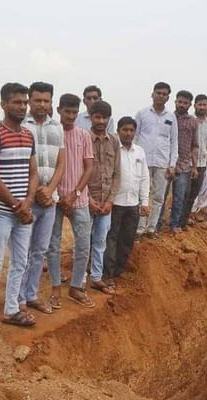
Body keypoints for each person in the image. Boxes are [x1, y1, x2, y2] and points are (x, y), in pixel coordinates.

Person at [0, 83, 39, 345]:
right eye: (16, 102)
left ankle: (12, 309)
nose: (22, 107)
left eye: (24, 102)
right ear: (3, 104)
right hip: (2, 212)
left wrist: (29, 202)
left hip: (22, 212)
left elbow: (33, 172)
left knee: (20, 263)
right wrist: (17, 205)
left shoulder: (28, 135)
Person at [17, 81, 66, 315]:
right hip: (27, 199)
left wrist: (49, 190)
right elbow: (20, 164)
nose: (42, 104)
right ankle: (17, 299)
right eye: (37, 100)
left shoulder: (57, 127)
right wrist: (34, 192)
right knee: (22, 250)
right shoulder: (22, 126)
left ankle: (31, 294)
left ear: (51, 102)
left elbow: (61, 164)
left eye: (46, 100)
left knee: (40, 249)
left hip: (49, 199)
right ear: (30, 100)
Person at [47, 94, 95, 307]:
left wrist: (75, 193)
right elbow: (48, 166)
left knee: (84, 244)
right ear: (59, 110)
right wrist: (58, 195)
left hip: (79, 198)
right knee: (53, 245)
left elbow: (89, 168)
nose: (71, 116)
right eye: (67, 111)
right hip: (55, 200)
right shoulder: (52, 134)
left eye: (75, 112)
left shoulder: (83, 135)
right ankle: (56, 287)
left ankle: (76, 287)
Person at [103, 117, 150, 287]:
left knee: (127, 238)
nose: (128, 133)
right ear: (118, 130)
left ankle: (119, 271)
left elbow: (145, 177)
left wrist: (144, 201)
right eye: (125, 130)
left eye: (131, 130)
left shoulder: (140, 152)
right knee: (111, 238)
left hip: (133, 204)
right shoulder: (113, 149)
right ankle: (107, 274)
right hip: (115, 203)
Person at [85, 100, 121, 294]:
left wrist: (109, 201)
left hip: (106, 202)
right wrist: (88, 199)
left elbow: (117, 173)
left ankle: (96, 277)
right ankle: (80, 279)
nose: (101, 121)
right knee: (83, 241)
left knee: (100, 241)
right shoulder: (84, 139)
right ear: (91, 117)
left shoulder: (114, 141)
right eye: (97, 117)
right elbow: (78, 172)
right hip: (86, 200)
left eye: (104, 117)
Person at [133, 82, 177, 240]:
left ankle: (151, 228)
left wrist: (172, 164)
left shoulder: (171, 117)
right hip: (142, 161)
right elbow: (135, 136)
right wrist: (134, 158)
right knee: (142, 195)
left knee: (158, 196)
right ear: (152, 94)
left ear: (168, 97)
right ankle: (139, 228)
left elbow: (174, 142)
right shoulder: (142, 114)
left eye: (164, 94)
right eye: (158, 93)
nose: (161, 96)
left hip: (162, 162)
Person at [164, 90, 199, 234]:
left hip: (184, 164)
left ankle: (174, 225)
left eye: (185, 103)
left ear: (190, 105)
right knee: (161, 196)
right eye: (180, 102)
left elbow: (195, 145)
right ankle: (156, 224)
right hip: (166, 163)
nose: (182, 105)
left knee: (179, 198)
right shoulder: (168, 117)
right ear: (175, 102)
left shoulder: (193, 122)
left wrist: (195, 166)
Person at [181, 94, 207, 229]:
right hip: (186, 163)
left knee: (193, 194)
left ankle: (184, 221)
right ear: (194, 105)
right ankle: (177, 220)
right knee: (183, 193)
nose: (202, 107)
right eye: (199, 104)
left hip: (201, 164)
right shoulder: (189, 120)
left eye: (204, 105)